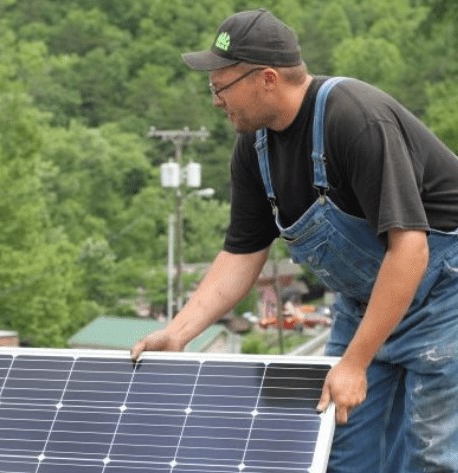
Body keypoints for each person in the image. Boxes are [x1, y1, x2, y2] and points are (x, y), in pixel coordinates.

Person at [131, 8, 458, 473]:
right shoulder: (254, 146)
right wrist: (179, 331)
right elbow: (242, 253)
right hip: (365, 299)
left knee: (430, 455)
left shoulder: (355, 120)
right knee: (336, 449)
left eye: (219, 87)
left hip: (444, 295)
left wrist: (355, 362)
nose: (215, 102)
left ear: (266, 78)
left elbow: (410, 249)